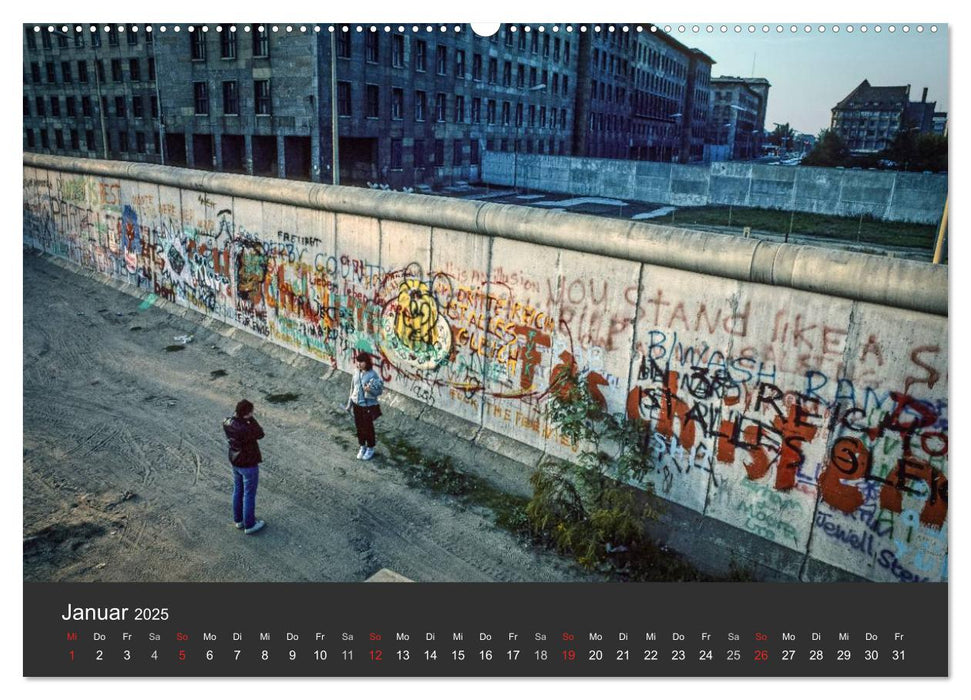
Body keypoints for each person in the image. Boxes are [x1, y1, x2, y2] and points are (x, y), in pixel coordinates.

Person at [222, 399, 266, 534]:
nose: (253, 413)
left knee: (238, 490)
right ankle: (250, 525)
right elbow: (260, 434)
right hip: (248, 464)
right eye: (251, 412)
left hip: (236, 461)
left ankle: (239, 520)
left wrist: (246, 417)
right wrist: (251, 419)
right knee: (249, 494)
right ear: (246, 414)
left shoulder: (227, 422)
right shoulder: (246, 429)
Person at [345, 352, 384, 461]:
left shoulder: (372, 374)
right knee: (359, 427)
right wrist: (349, 404)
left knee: (368, 428)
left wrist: (370, 390)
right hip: (356, 405)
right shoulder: (356, 372)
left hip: (367, 406)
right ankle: (362, 446)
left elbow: (379, 391)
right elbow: (352, 389)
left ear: (367, 362)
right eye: (358, 362)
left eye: (361, 362)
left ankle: (370, 448)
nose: (359, 364)